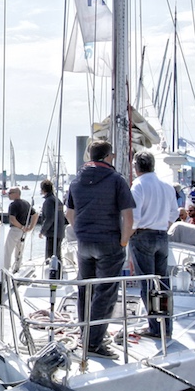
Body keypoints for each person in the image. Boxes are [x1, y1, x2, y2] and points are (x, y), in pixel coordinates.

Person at [65, 140, 134, 358]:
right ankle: (94, 343)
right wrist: (123, 241)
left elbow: (68, 213)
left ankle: (85, 334)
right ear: (106, 156)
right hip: (109, 242)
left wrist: (81, 231)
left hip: (84, 243)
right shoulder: (116, 180)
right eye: (111, 155)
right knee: (105, 292)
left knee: (85, 289)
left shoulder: (76, 181)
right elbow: (128, 216)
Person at [129, 151, 178, 339]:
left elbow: (135, 218)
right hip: (162, 235)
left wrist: (127, 236)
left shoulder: (138, 186)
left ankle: (155, 328)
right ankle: (166, 326)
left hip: (143, 235)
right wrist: (163, 225)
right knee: (162, 282)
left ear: (136, 167)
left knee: (147, 284)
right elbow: (174, 212)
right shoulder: (167, 186)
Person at [3, 187, 37, 272]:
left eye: (10, 193)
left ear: (16, 194)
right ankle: (17, 268)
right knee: (19, 251)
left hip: (15, 230)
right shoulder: (26, 203)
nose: (8, 195)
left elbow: (12, 219)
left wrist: (21, 227)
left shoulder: (13, 205)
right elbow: (35, 215)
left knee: (7, 251)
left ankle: (5, 269)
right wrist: (30, 227)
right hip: (23, 231)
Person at [38, 179, 66, 272]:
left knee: (51, 256)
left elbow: (49, 218)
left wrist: (42, 231)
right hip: (60, 231)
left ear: (43, 190)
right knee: (57, 255)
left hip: (52, 233)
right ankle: (59, 273)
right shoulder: (58, 200)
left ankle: (53, 275)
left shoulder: (49, 201)